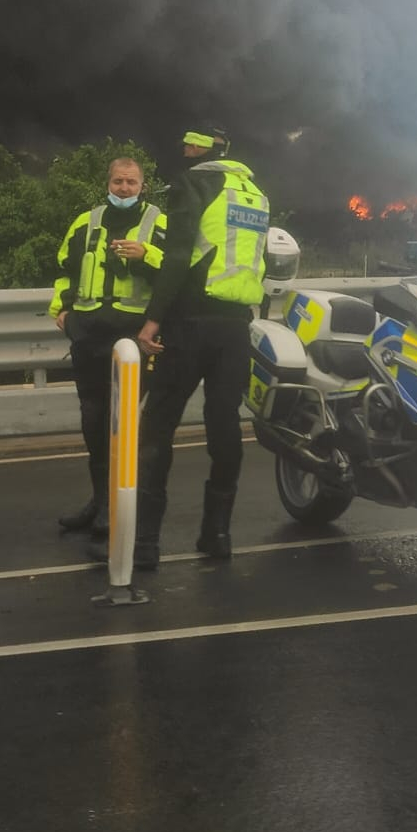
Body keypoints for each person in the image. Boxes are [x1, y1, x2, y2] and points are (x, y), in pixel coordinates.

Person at [122, 123, 271, 568]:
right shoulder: (255, 195)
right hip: (235, 328)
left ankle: (145, 544)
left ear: (208, 149)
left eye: (192, 143)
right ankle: (217, 535)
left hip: (191, 323)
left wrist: (153, 320)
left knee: (158, 423)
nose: (184, 148)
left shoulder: (195, 182)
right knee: (224, 426)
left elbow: (178, 256)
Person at [49, 155, 164, 534]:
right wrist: (63, 310)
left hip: (133, 341)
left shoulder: (157, 222)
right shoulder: (87, 221)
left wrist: (147, 254)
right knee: (93, 420)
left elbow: (179, 271)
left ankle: (118, 506)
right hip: (89, 338)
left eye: (131, 183)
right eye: (118, 182)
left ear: (142, 185)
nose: (125, 189)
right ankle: (99, 501)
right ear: (108, 184)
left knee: (123, 424)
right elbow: (66, 269)